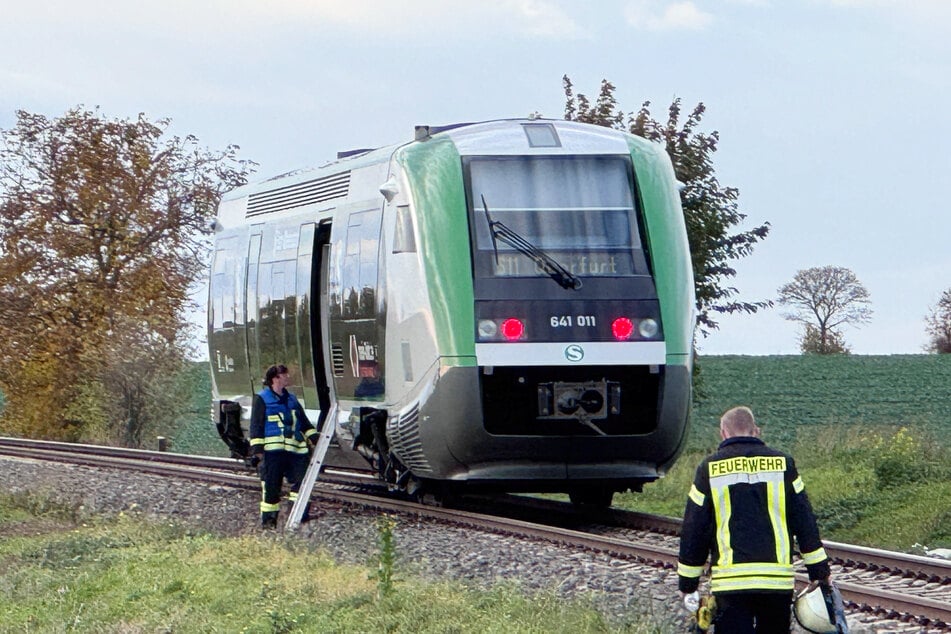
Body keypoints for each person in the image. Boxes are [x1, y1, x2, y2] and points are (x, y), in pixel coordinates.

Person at [677, 406, 832, 633]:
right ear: (756, 431)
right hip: (776, 583)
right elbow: (805, 522)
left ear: (723, 433)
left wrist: (688, 584)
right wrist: (819, 573)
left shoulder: (708, 469)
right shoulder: (784, 464)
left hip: (731, 584)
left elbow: (694, 529)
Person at [249, 364, 319, 528]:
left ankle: (297, 516)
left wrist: (315, 438)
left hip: (296, 452)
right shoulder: (262, 398)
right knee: (271, 488)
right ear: (275, 378)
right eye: (284, 374)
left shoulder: (292, 399)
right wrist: (257, 452)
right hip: (273, 454)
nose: (288, 377)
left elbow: (304, 422)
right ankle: (269, 523)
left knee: (302, 484)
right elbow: (256, 426)